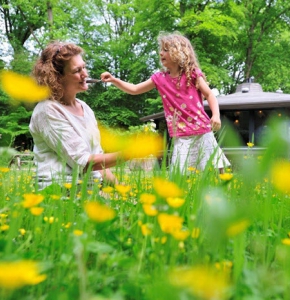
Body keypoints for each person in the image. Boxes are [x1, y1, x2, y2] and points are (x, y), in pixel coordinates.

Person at [101, 32, 230, 174]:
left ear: (179, 53)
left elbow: (210, 94)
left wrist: (216, 115)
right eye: (161, 50)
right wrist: (114, 80)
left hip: (202, 132)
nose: (161, 53)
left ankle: (223, 192)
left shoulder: (192, 74)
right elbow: (135, 89)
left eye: (165, 50)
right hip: (180, 136)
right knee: (181, 173)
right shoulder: (159, 78)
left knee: (215, 168)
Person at [29, 41, 123, 190]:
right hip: (59, 192)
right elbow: (84, 163)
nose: (85, 74)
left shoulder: (86, 109)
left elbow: (99, 162)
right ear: (57, 78)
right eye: (77, 71)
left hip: (91, 191)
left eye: (84, 67)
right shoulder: (47, 111)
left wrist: (122, 190)